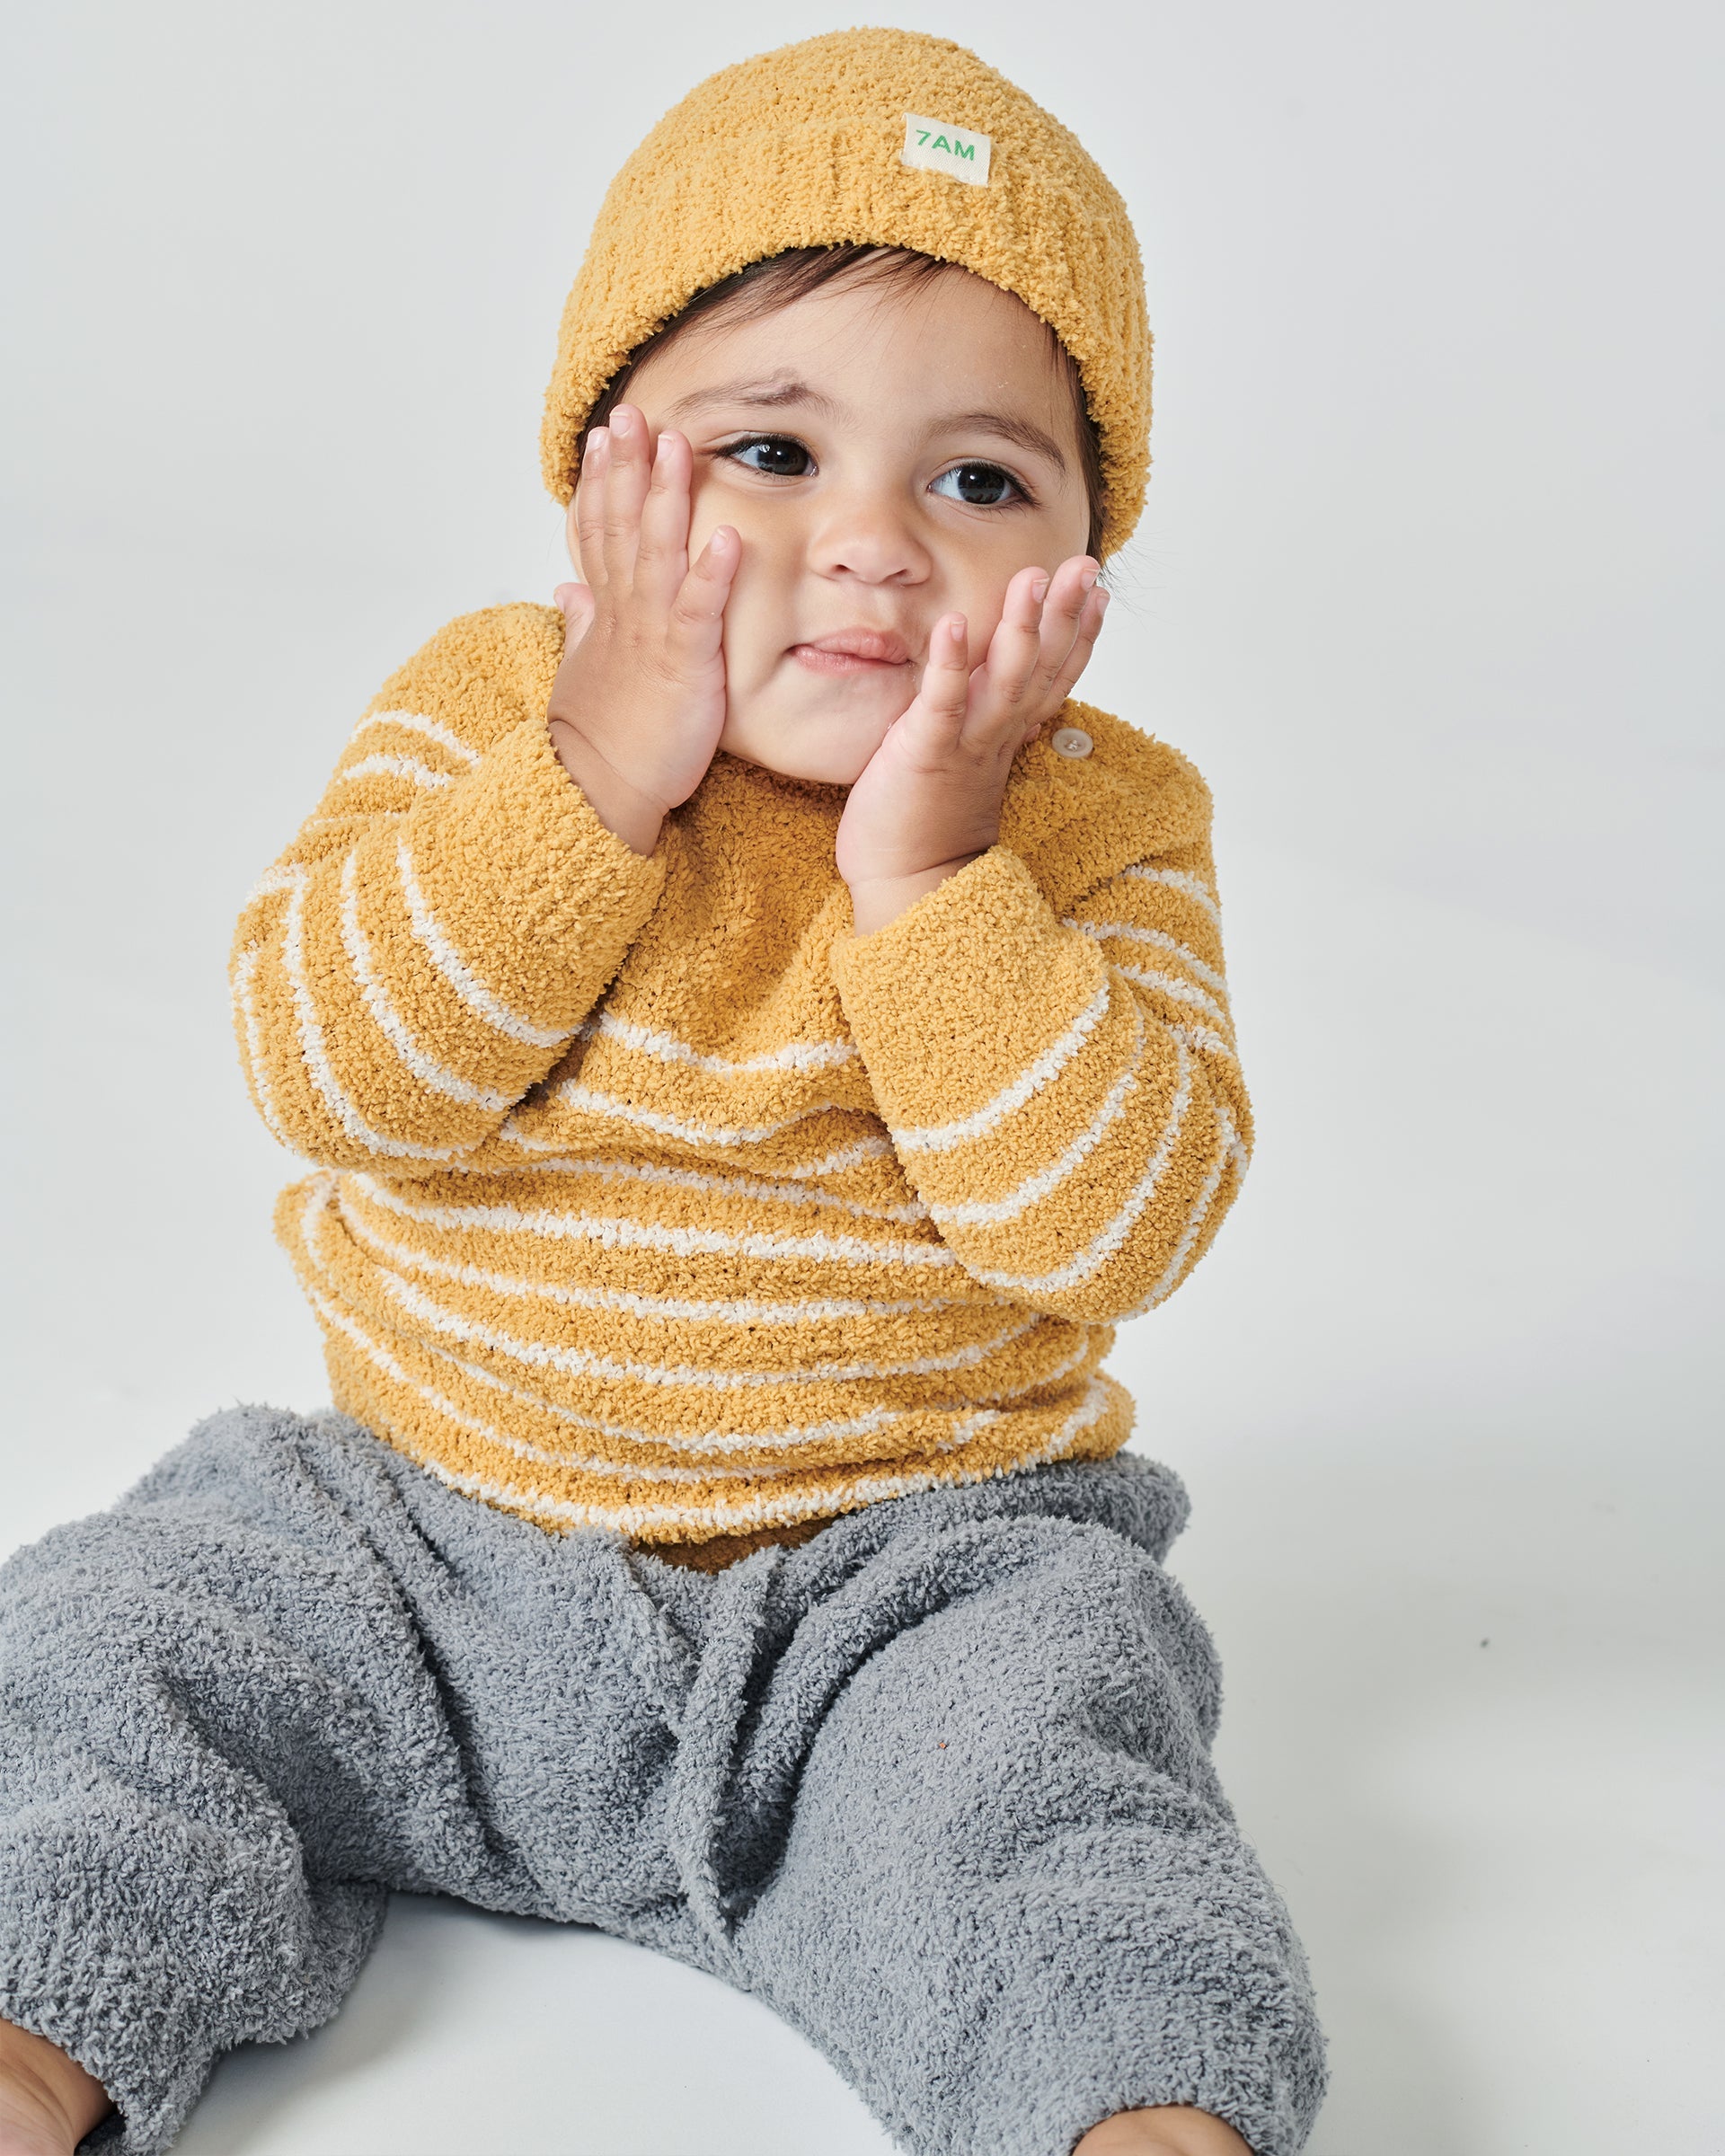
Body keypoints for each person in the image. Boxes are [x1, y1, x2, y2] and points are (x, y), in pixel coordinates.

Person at [0, 30, 1324, 2156]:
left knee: (1062, 1784)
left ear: (1091, 551)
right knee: (109, 1642)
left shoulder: (1098, 821)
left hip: (899, 1591)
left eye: (981, 480)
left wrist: (940, 880)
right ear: (607, 473)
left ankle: (1130, 2115)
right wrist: (591, 774)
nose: (876, 546)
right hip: (415, 1543)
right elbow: (331, 1073)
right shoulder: (486, 708)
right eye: (773, 454)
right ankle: (29, 2030)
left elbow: (1120, 1223)